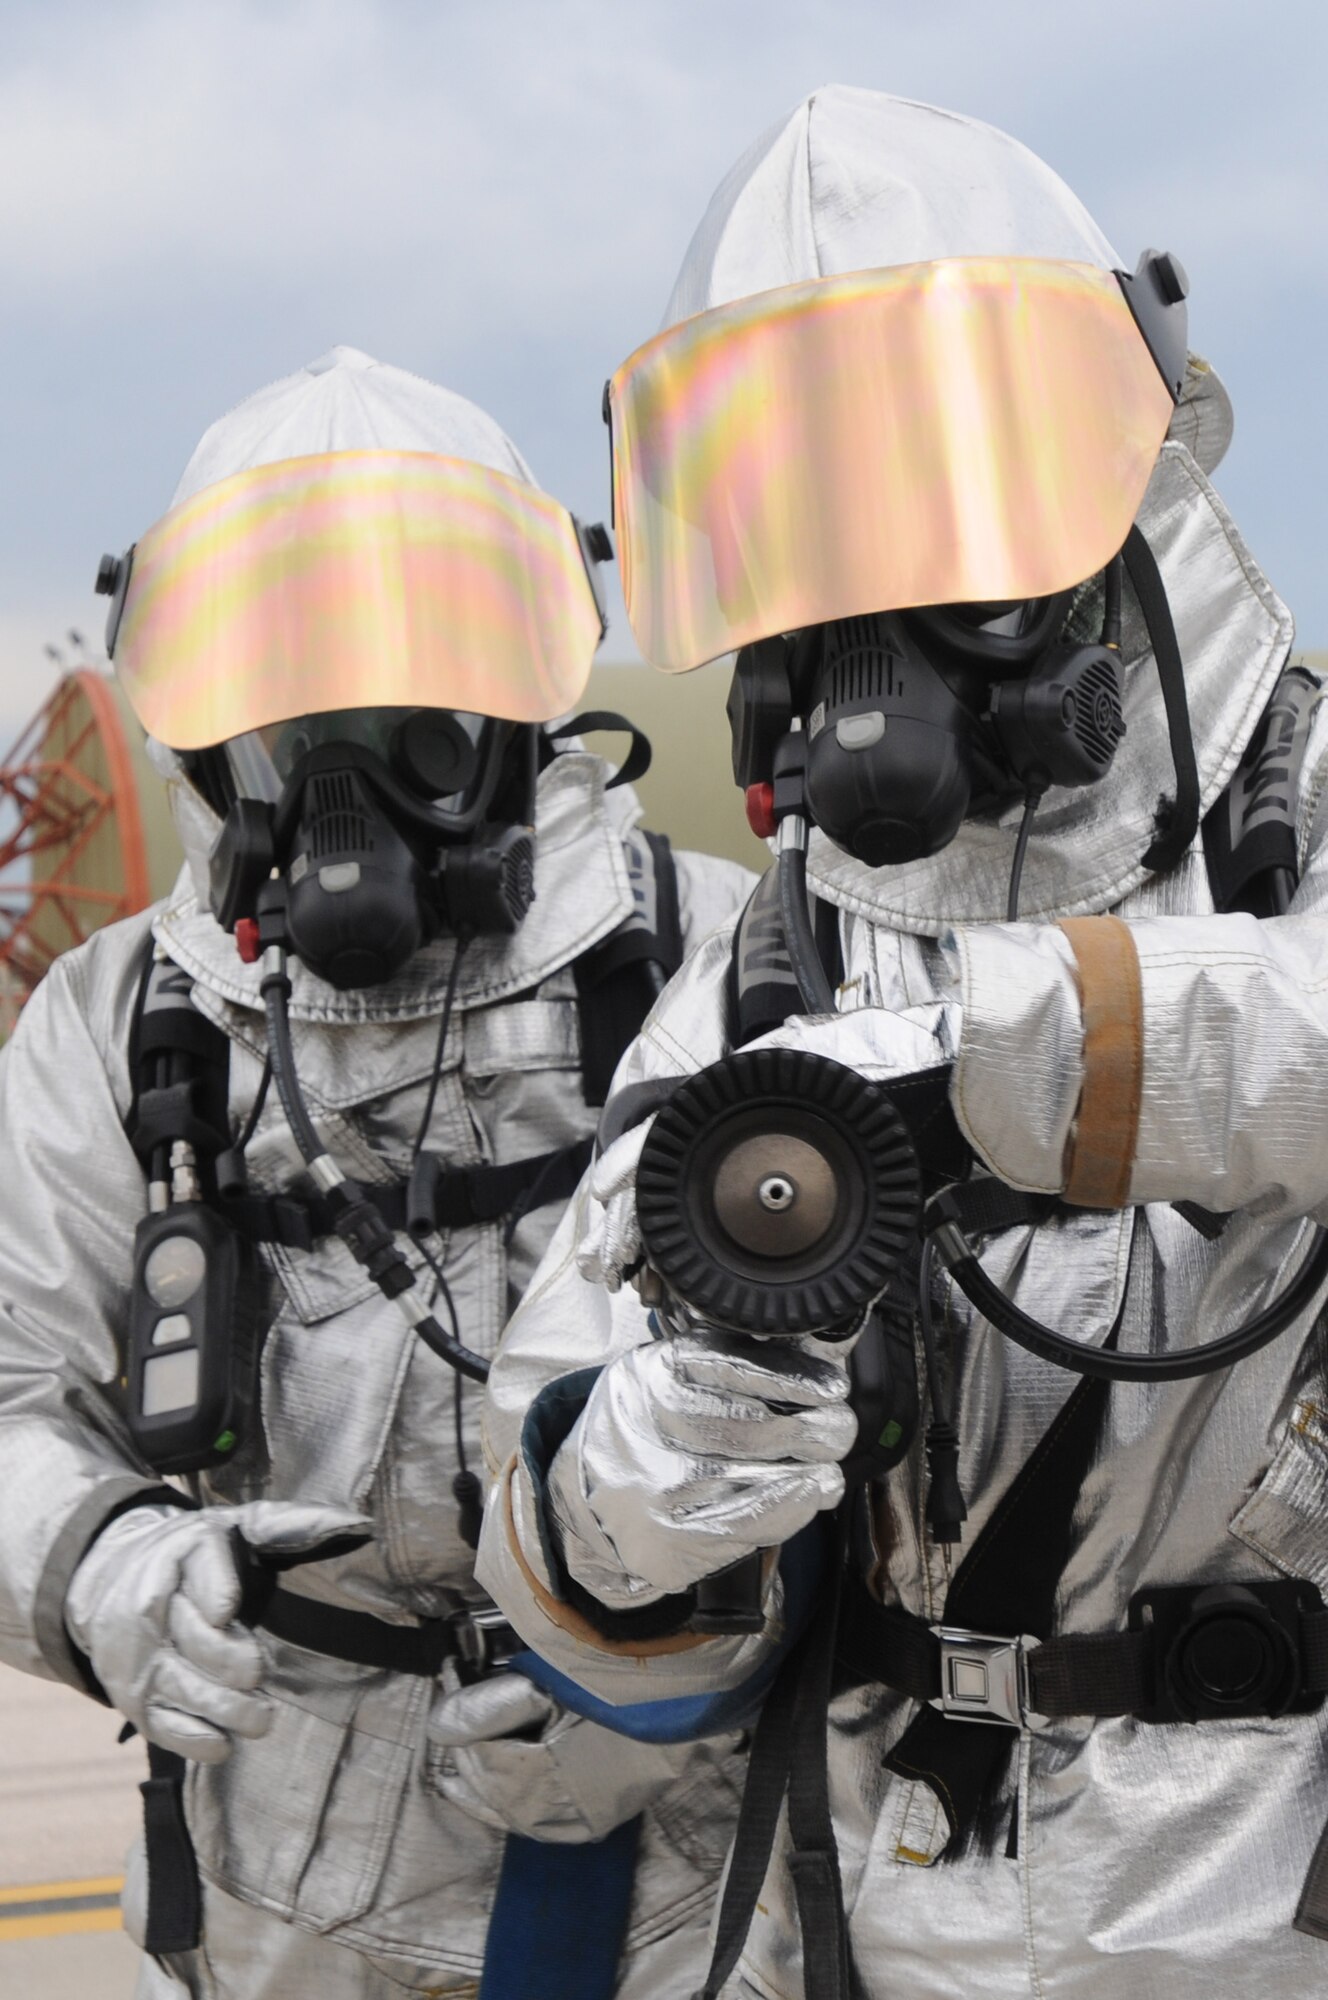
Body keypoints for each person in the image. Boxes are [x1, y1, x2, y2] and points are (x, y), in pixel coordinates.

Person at [477, 88, 1328, 1999]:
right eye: (816, 540)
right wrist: (640, 1495)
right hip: (859, 1914)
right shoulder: (770, 975)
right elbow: (570, 1577)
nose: (879, 618)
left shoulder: (1300, 809)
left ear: (1116, 478)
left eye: (945, 508)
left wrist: (981, 1060)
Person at [0, 345, 755, 1999]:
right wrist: (109, 1570)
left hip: (684, 1888)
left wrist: (679, 1668)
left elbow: (898, 1398)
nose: (343, 773)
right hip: (275, 1894)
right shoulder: (121, 1022)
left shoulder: (723, 959)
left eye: (416, 713)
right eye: (288, 706)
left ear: (516, 700)